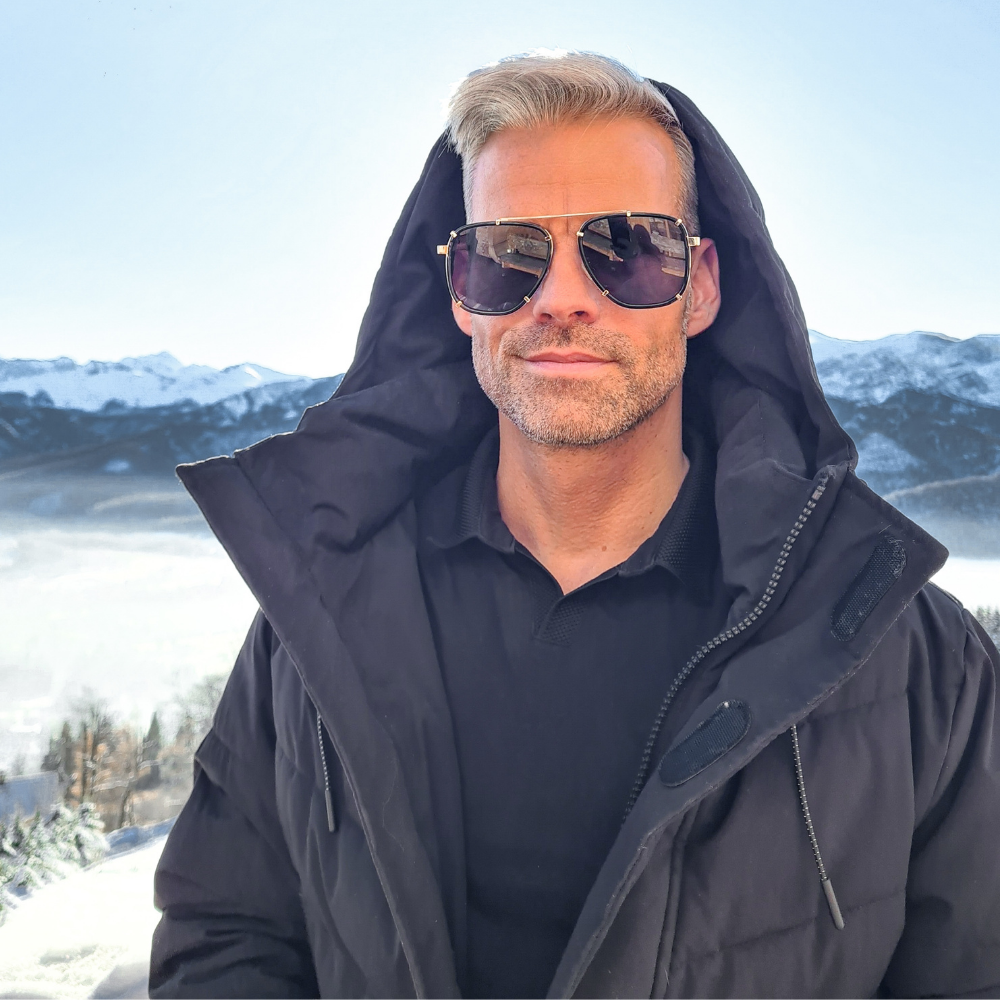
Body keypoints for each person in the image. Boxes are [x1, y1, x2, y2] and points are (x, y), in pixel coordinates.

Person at [149, 52, 1000, 999]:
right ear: (458, 293)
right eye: (507, 255)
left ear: (701, 286)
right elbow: (224, 936)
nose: (560, 296)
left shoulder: (905, 660)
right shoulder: (318, 625)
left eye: (627, 249)